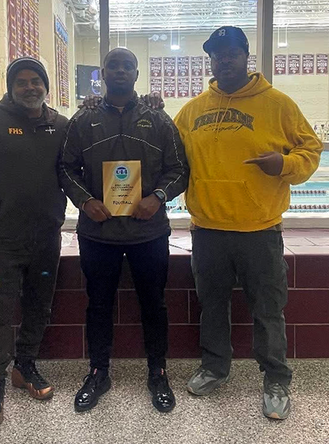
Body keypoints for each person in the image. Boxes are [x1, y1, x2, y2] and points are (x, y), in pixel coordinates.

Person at [175, 26, 322, 420]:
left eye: (231, 52)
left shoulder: (278, 104)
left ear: (246, 56)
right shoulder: (192, 110)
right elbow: (167, 153)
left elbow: (311, 147)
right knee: (212, 305)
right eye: (217, 54)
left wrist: (285, 165)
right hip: (208, 229)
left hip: (260, 229)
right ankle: (215, 367)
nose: (224, 60)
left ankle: (276, 379)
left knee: (268, 309)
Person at [60, 48, 189, 414]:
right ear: (102, 74)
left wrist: (159, 197)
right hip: (97, 234)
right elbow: (66, 168)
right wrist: (86, 202)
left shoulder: (159, 119)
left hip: (148, 232)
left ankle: (158, 372)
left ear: (136, 74)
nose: (119, 71)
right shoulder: (82, 120)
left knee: (154, 304)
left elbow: (179, 169)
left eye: (127, 66)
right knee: (98, 305)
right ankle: (99, 372)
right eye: (112, 66)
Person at [0, 57, 68, 428]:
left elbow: (75, 168)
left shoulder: (60, 125)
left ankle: (25, 367)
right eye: (21, 82)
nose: (29, 87)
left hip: (45, 239)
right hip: (0, 242)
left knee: (39, 307)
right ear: (10, 87)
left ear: (46, 86)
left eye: (35, 81)